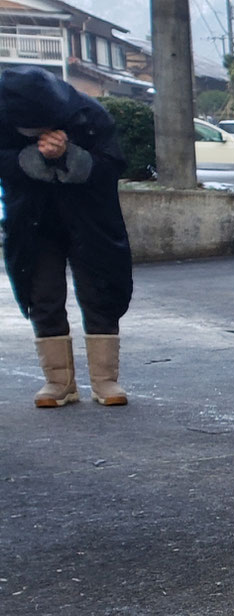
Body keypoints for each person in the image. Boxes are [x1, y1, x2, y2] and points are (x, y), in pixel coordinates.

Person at [0, 67, 132, 408]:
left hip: (90, 218)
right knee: (41, 293)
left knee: (99, 288)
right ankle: (58, 383)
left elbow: (112, 163)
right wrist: (33, 157)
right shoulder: (4, 118)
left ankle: (106, 380)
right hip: (33, 220)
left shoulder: (88, 114)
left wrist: (69, 155)